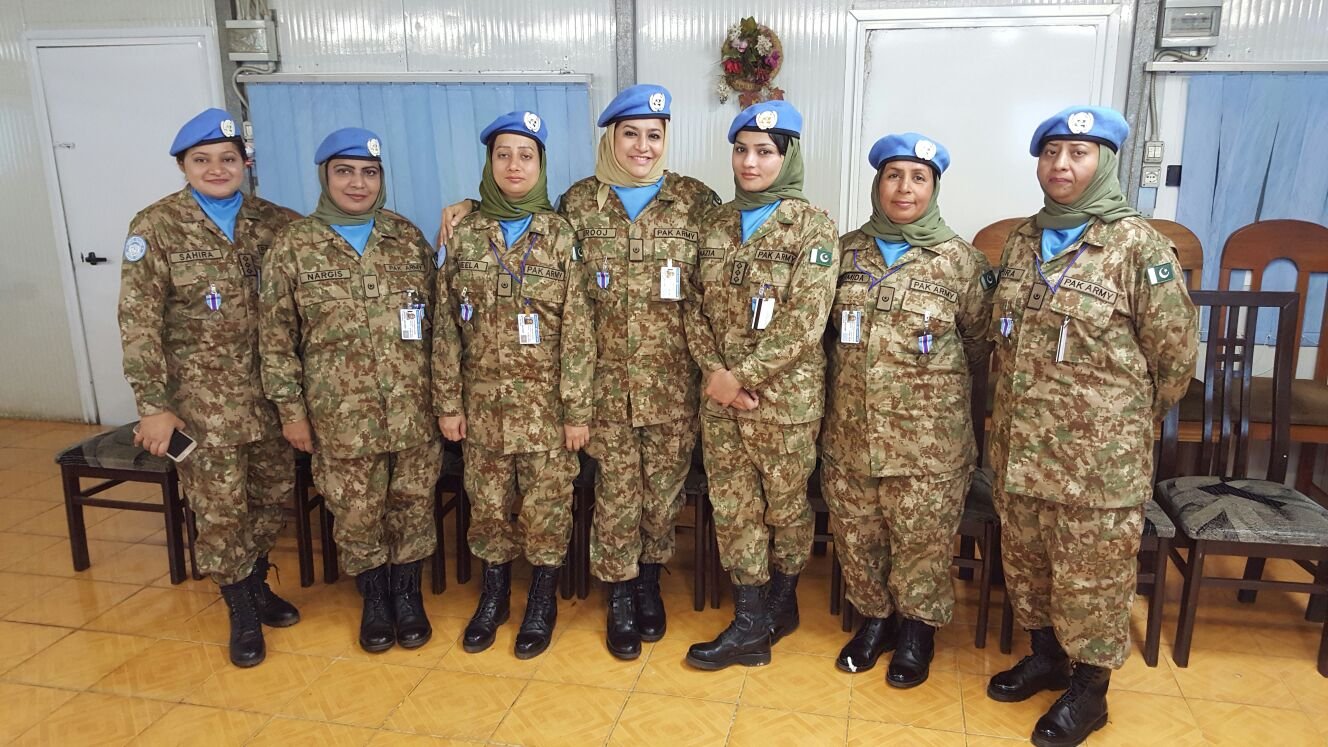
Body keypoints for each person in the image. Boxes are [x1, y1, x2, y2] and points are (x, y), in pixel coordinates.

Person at [437, 85, 719, 659]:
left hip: (670, 384)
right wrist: (466, 205)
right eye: (630, 134)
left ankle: (647, 585)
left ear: (666, 141)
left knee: (661, 497)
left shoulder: (696, 202)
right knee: (616, 497)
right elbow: (517, 220)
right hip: (598, 388)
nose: (642, 146)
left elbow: (739, 249)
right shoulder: (576, 205)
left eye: (654, 135)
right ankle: (617, 595)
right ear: (611, 138)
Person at [984, 106, 1197, 747]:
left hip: (1097, 461)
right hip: (1022, 450)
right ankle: (1046, 656)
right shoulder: (1024, 240)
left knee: (1093, 575)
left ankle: (1090, 690)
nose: (1061, 166)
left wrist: (1121, 422)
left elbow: (1176, 355)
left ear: (1105, 162)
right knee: (1029, 564)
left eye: (1078, 154)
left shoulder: (1138, 246)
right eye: (1051, 153)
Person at [118, 108, 300, 668]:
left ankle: (256, 577)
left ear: (246, 164)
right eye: (202, 160)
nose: (217, 169)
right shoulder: (155, 227)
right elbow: (138, 321)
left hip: (271, 398)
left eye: (228, 159)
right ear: (183, 166)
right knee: (219, 509)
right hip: (200, 408)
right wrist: (152, 407)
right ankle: (241, 605)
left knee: (270, 500)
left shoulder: (277, 224)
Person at [260, 127, 446, 654]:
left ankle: (408, 596)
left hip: (412, 408)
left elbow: (438, 327)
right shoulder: (295, 247)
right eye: (345, 171)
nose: (358, 183)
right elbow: (275, 339)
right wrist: (290, 412)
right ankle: (374, 600)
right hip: (338, 416)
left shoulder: (405, 238)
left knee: (412, 503)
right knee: (357, 510)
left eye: (369, 172)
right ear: (325, 177)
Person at [822, 133, 993, 687]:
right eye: (894, 175)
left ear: (934, 188)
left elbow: (977, 343)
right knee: (858, 534)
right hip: (850, 432)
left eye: (918, 178)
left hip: (929, 443)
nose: (905, 188)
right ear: (878, 183)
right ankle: (874, 621)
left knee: (922, 541)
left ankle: (917, 632)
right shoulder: (845, 251)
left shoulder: (961, 262)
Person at [683, 100, 839, 670]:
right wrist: (716, 377)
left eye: (765, 152)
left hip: (784, 404)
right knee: (734, 508)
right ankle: (749, 621)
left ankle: (783, 602)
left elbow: (806, 319)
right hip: (722, 402)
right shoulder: (715, 223)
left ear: (787, 156)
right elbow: (691, 309)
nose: (750, 162)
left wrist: (741, 377)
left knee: (785, 508)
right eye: (742, 150)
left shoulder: (813, 227)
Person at [432, 110, 592, 660]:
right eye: (503, 154)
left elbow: (578, 330)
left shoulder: (560, 233)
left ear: (541, 164)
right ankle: (494, 596)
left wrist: (576, 411)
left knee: (548, 509)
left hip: (547, 411)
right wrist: (448, 404)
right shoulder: (464, 233)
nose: (514, 165)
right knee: (489, 507)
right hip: (482, 409)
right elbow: (446, 328)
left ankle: (541, 602)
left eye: (526, 155)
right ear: (489, 163)